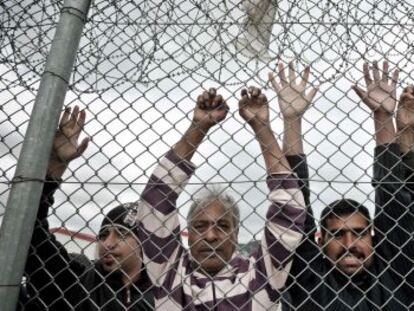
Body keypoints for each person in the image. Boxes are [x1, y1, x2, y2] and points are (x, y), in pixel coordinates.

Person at [136, 87, 306, 310]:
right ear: (188, 233)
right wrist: (199, 127)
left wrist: (261, 126)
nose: (211, 236)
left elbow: (289, 209)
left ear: (236, 233)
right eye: (199, 226)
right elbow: (155, 200)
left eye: (223, 226)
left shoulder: (261, 275)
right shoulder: (168, 272)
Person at [276, 60, 414, 310]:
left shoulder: (394, 272)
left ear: (374, 237)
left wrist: (383, 117)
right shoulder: (310, 280)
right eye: (337, 234)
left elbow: (393, 196)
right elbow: (295, 200)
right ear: (320, 242)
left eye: (360, 233)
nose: (350, 244)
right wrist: (291, 120)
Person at [23, 106, 154, 310]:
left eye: (121, 234)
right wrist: (56, 164)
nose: (107, 244)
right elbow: (32, 235)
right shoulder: (78, 279)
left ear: (144, 243)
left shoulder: (165, 295)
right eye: (103, 235)